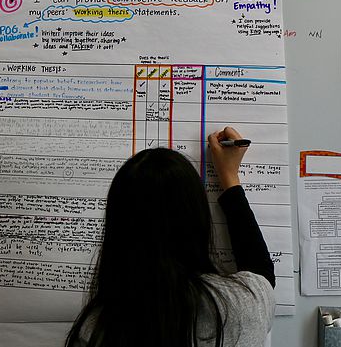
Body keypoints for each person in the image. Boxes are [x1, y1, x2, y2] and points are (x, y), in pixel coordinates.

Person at [65, 127, 276, 347]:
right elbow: (263, 278)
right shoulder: (242, 306)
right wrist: (230, 178)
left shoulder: (95, 330)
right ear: (198, 220)